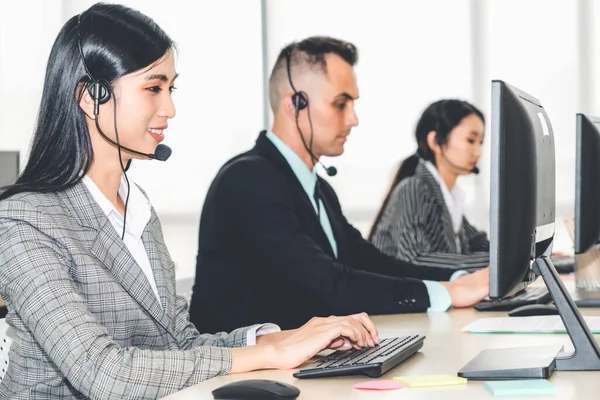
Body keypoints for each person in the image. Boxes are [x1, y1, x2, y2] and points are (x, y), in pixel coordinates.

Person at [0, 6, 380, 399]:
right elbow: (101, 372)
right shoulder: (24, 221)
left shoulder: (136, 207)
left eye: (170, 89)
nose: (170, 109)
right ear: (91, 96)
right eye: (153, 88)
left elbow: (178, 346)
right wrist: (272, 354)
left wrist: (277, 339)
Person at [189, 36, 490, 334]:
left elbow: (369, 262)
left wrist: (458, 279)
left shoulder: (317, 189)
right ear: (295, 104)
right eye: (341, 104)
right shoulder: (248, 180)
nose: (353, 119)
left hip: (304, 360)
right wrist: (447, 293)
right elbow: (326, 284)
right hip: (247, 374)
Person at [369, 99, 490, 270]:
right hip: (397, 295)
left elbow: (478, 244)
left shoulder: (450, 197)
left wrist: (521, 252)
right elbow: (415, 258)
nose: (478, 152)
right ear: (435, 141)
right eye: (471, 140)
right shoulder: (414, 188)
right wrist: (494, 265)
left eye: (481, 143)